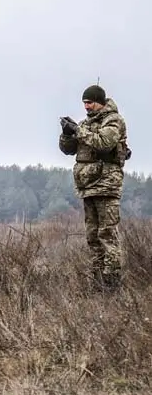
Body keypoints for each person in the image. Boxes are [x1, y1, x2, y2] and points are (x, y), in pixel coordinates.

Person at [59, 84, 131, 291]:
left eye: (89, 103)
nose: (86, 107)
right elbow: (68, 150)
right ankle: (98, 282)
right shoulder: (86, 124)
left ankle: (112, 284)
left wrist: (78, 131)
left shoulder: (114, 121)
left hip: (107, 185)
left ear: (100, 102)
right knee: (93, 237)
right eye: (84, 103)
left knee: (107, 234)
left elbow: (104, 143)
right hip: (88, 186)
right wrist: (67, 133)